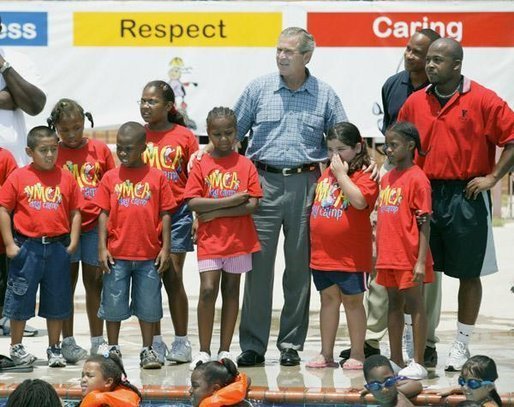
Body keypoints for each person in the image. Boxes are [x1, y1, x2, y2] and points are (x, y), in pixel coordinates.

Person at [228, 26, 347, 367]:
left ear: (307, 56)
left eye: (289, 52)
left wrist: (354, 173)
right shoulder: (258, 89)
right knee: (258, 270)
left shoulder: (325, 95)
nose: (281, 56)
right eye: (278, 50)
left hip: (306, 186)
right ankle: (252, 344)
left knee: (298, 270)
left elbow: (342, 138)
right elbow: (231, 132)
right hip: (261, 184)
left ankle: (291, 344)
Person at [397, 38, 514, 371]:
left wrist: (493, 177)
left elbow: (512, 138)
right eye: (428, 60)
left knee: (468, 273)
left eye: (437, 60)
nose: (430, 65)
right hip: (424, 193)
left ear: (456, 65)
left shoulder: (483, 99)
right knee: (417, 272)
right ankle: (413, 339)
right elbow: (399, 144)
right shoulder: (416, 102)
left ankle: (461, 344)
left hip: (467, 197)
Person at [342, 29, 442, 368]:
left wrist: (418, 259)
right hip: (393, 207)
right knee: (390, 298)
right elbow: (391, 132)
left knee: (420, 297)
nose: (413, 57)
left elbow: (425, 223)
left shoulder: (439, 91)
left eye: (422, 53)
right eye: (410, 50)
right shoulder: (393, 85)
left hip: (425, 184)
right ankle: (389, 352)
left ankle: (423, 348)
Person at [185, 107, 262, 369]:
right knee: (208, 290)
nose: (224, 139)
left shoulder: (245, 164)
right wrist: (230, 201)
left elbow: (251, 205)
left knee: (231, 290)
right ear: (208, 134)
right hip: (210, 241)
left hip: (238, 240)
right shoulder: (202, 164)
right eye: (217, 134)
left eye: (229, 133)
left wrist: (215, 210)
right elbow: (194, 201)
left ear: (236, 132)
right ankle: (204, 350)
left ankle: (225, 349)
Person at [94, 122, 176, 369]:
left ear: (143, 147)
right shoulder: (110, 177)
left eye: (129, 148)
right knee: (113, 302)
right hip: (117, 255)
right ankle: (113, 347)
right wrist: (102, 246)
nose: (122, 153)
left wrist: (166, 248)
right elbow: (103, 213)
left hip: (148, 255)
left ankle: (147, 349)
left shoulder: (157, 177)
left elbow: (166, 214)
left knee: (149, 304)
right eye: (119, 148)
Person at [0, 126, 81, 367]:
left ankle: (54, 348)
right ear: (29, 151)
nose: (49, 155)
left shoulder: (65, 177)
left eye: (53, 149)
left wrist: (74, 241)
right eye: (43, 150)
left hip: (56, 248)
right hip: (27, 248)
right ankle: (16, 347)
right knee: (19, 298)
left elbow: (76, 211)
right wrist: (9, 243)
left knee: (57, 301)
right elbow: (4, 209)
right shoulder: (19, 177)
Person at [307, 122, 378, 370]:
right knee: (328, 301)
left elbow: (359, 202)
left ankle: (357, 352)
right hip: (322, 254)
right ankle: (326, 352)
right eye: (330, 149)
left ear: (358, 147)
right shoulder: (327, 173)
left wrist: (341, 175)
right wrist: (335, 172)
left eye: (342, 148)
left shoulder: (364, 174)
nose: (335, 155)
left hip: (350, 256)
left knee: (352, 302)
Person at [48, 98, 115, 362]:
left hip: (94, 227)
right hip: (63, 230)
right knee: (64, 285)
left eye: (77, 127)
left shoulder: (100, 150)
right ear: (56, 129)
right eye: (65, 130)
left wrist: (109, 230)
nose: (73, 135)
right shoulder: (52, 152)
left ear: (85, 122)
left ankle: (98, 341)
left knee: (95, 284)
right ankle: (68, 342)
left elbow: (112, 187)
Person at [139, 80, 199, 365]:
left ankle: (181, 341)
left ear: (168, 106)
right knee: (149, 279)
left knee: (172, 275)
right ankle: (155, 342)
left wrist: (196, 215)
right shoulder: (137, 135)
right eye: (143, 101)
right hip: (144, 215)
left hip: (177, 215)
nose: (145, 106)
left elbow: (196, 179)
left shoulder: (185, 136)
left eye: (152, 102)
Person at [0, 15, 46, 338]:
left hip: (13, 171)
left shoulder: (18, 61)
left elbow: (33, 103)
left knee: (13, 250)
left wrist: (3, 67)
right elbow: (19, 99)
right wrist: (9, 97)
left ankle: (10, 317)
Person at [376, 122, 433, 380]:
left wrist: (420, 261)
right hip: (389, 255)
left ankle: (418, 361)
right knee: (393, 305)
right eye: (386, 145)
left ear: (410, 146)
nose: (388, 149)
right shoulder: (387, 178)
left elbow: (425, 224)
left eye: (394, 145)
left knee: (415, 304)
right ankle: (396, 359)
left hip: (409, 256)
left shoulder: (418, 179)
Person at [428, 355, 502, 406]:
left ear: (489, 386)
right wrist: (453, 388)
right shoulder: (489, 396)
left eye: (472, 383)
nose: (465, 387)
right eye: (462, 381)